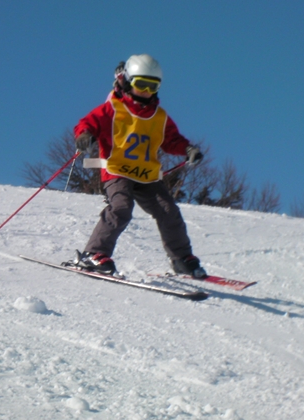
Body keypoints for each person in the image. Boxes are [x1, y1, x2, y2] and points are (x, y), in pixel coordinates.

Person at [73, 54, 207, 277]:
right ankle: (94, 254)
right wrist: (85, 135)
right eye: (141, 84)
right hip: (117, 171)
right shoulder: (113, 108)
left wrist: (188, 149)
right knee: (121, 208)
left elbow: (171, 139)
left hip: (147, 176)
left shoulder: (159, 117)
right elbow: (87, 123)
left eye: (152, 86)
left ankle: (181, 258)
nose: (146, 91)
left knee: (169, 211)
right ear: (127, 82)